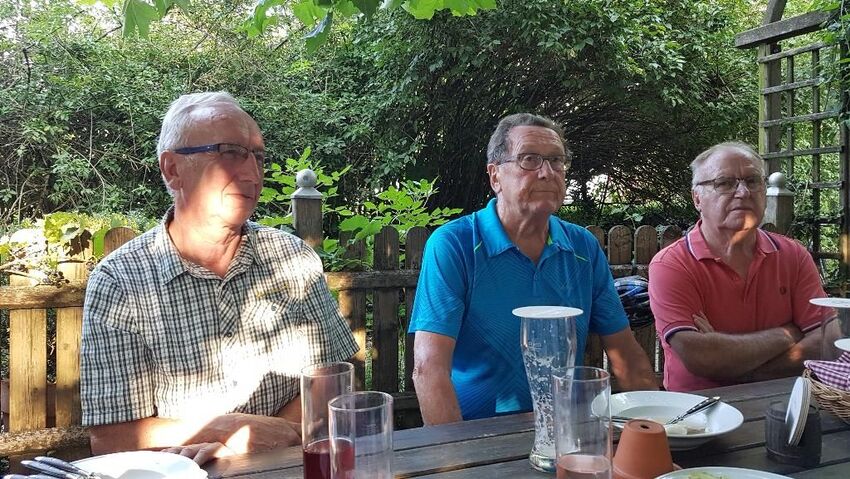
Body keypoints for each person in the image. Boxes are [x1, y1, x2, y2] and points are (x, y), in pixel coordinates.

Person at [80, 91, 358, 463]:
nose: (253, 174)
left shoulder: (292, 258)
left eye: (258, 156)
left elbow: (333, 377)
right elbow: (111, 437)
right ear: (172, 169)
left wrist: (270, 437)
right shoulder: (120, 282)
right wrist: (225, 428)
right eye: (230, 153)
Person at [408, 113, 658, 425]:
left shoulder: (583, 247)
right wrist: (457, 451)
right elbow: (428, 368)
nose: (547, 172)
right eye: (529, 159)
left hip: (567, 431)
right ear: (495, 176)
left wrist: (660, 432)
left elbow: (625, 354)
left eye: (556, 160)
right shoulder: (455, 244)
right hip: (478, 432)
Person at [649, 142, 831, 392]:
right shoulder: (672, 264)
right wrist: (788, 334)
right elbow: (700, 356)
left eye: (753, 181)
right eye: (724, 183)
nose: (743, 192)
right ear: (697, 198)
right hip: (699, 410)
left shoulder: (793, 255)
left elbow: (827, 339)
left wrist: (743, 371)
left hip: (784, 402)